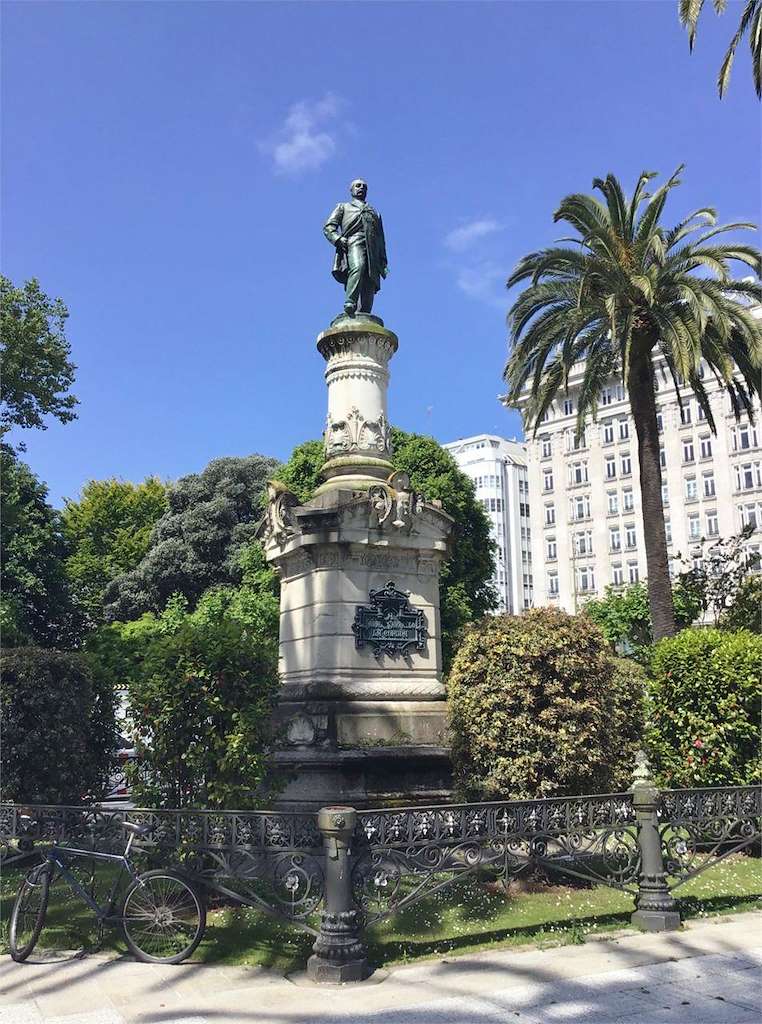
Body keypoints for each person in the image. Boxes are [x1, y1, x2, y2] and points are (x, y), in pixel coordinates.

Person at [323, 179, 388, 317]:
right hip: (353, 242)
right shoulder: (343, 207)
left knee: (370, 278)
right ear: (351, 190)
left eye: (364, 187)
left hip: (372, 248)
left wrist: (383, 260)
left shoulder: (375, 212)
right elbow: (329, 227)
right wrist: (338, 239)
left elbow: (380, 238)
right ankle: (350, 302)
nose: (361, 188)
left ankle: (365, 312)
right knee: (358, 267)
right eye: (358, 186)